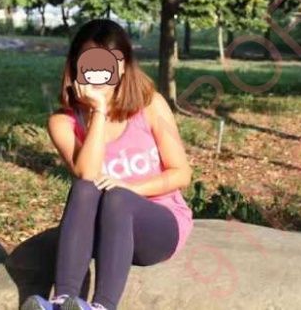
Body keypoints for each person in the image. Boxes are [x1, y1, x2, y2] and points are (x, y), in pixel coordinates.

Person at [21, 19, 194, 310]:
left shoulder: (150, 105)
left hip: (158, 224)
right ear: (76, 65)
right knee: (84, 188)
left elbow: (181, 174)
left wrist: (129, 188)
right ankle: (63, 300)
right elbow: (86, 174)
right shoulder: (63, 123)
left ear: (123, 66)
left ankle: (103, 306)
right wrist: (99, 112)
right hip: (103, 232)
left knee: (117, 198)